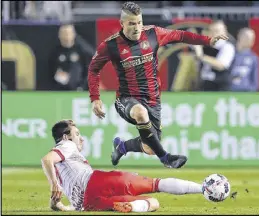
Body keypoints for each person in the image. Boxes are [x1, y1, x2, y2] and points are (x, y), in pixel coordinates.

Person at [88, 2, 228, 169]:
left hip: (153, 99)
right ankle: (166, 158)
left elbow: (180, 35)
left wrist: (208, 40)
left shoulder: (153, 33)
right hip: (126, 99)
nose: (137, 27)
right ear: (122, 24)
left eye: (139, 22)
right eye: (132, 23)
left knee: (149, 147)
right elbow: (93, 70)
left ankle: (122, 147)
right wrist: (95, 98)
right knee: (140, 112)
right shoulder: (110, 45)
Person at [41, 119, 205, 213]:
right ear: (65, 137)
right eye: (77, 134)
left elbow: (56, 204)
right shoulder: (66, 145)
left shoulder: (62, 170)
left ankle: (132, 206)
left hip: (89, 203)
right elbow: (47, 159)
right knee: (156, 185)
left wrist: (57, 203)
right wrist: (54, 185)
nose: (81, 139)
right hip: (99, 181)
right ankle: (204, 188)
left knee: (152, 203)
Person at [194, 20, 236, 91]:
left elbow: (221, 65)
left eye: (217, 31)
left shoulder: (227, 47)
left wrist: (201, 56)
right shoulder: (206, 47)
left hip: (220, 88)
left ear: (224, 32)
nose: (214, 34)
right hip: (205, 86)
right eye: (212, 31)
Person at [49, 24, 90, 91]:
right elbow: (50, 72)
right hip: (59, 92)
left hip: (78, 91)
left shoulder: (81, 51)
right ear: (59, 35)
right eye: (64, 33)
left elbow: (87, 71)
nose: (67, 36)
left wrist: (82, 87)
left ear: (73, 34)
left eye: (69, 33)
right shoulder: (55, 52)